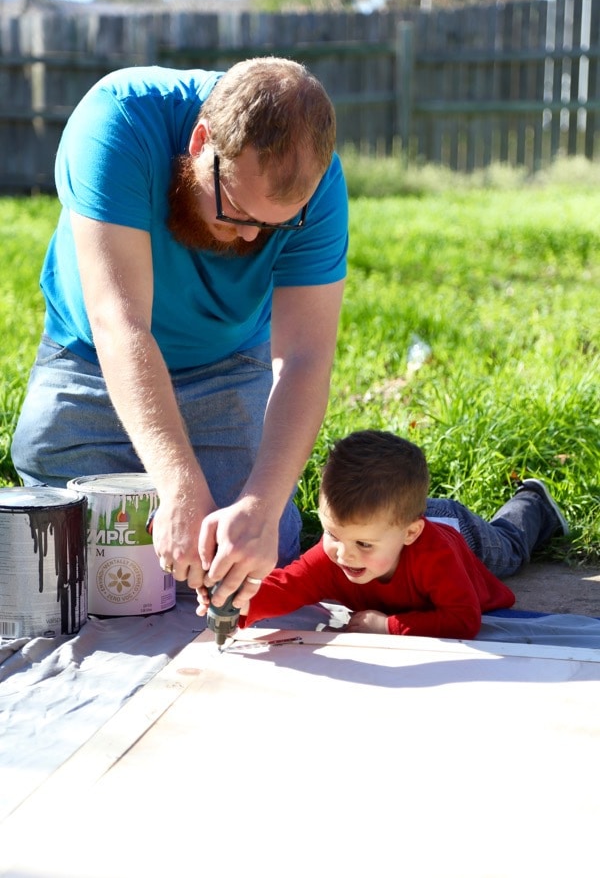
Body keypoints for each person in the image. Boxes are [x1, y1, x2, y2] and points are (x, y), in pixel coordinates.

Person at [11, 57, 348, 605]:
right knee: (57, 548)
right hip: (92, 360)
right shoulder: (117, 121)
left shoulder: (319, 188)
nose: (246, 238)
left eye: (273, 225)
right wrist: (178, 483)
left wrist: (261, 505)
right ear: (200, 142)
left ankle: (431, 521)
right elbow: (119, 324)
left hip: (225, 369)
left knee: (254, 547)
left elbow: (306, 357)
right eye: (236, 208)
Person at [197, 430, 569, 641]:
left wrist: (387, 625)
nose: (344, 554)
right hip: (395, 518)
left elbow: (463, 620)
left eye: (362, 545)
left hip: (459, 534)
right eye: (332, 533)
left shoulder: (435, 557)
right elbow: (288, 585)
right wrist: (240, 602)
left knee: (510, 547)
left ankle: (534, 500)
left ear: (410, 533)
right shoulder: (340, 548)